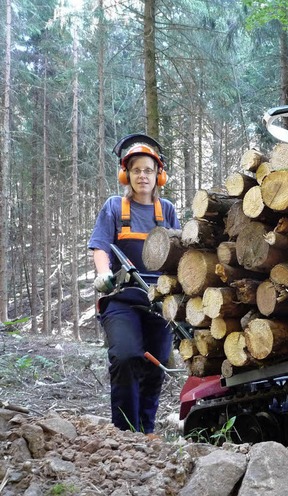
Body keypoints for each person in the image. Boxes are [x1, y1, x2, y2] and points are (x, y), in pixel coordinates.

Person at [88, 134, 180, 434]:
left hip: (157, 301)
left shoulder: (166, 211)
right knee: (126, 357)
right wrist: (103, 273)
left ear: (159, 176)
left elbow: (178, 252)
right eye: (137, 170)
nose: (143, 176)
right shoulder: (114, 207)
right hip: (122, 300)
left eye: (149, 170)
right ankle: (126, 433)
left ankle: (146, 433)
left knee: (155, 368)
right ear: (126, 174)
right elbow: (100, 246)